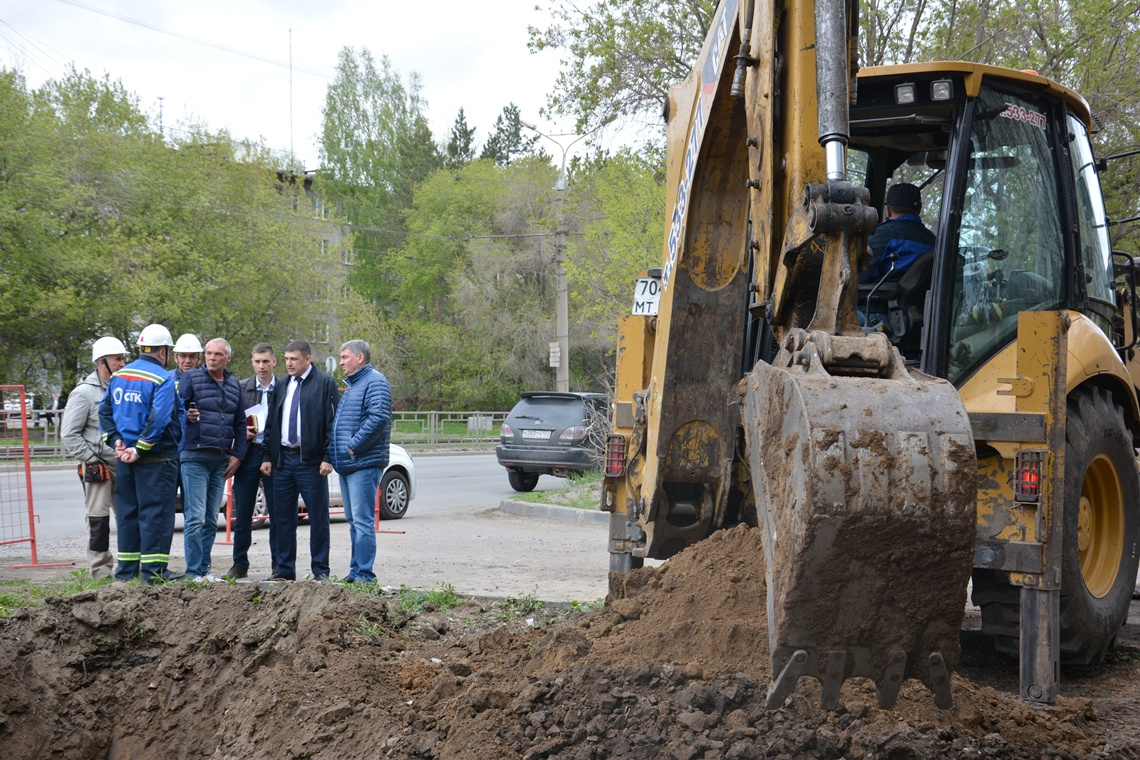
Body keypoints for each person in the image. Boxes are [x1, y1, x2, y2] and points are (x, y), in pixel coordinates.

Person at [99, 324, 183, 585]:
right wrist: (141, 447)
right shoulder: (162, 379)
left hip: (124, 459)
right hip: (156, 459)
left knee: (128, 513)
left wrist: (117, 441)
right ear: (163, 351)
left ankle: (126, 572)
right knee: (156, 514)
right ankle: (155, 572)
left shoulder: (119, 376)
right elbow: (159, 418)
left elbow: (104, 412)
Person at [260, 340, 339, 581]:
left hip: (312, 463)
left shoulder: (325, 384)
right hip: (283, 462)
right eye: (286, 359)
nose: (289, 363)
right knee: (282, 519)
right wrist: (267, 456)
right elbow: (271, 424)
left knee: (318, 519)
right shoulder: (283, 385)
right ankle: (284, 570)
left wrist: (328, 457)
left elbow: (332, 424)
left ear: (308, 359)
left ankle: (320, 571)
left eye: (293, 359)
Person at [179, 338, 246, 582]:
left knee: (209, 519)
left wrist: (238, 455)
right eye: (208, 353)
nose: (211, 358)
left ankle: (203, 570)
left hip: (220, 460)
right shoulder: (190, 378)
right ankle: (194, 572)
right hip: (194, 456)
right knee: (195, 517)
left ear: (228, 358)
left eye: (218, 354)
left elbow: (240, 423)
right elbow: (175, 410)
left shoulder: (234, 385)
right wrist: (187, 415)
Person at [60, 336, 127, 578]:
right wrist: (91, 459)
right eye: (117, 359)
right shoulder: (84, 393)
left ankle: (129, 569)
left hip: (125, 463)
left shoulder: (124, 387)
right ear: (102, 362)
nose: (122, 363)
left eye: (123, 358)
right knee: (98, 519)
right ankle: (100, 571)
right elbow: (69, 434)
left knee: (129, 518)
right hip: (99, 465)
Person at [328, 340, 392, 583]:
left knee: (362, 521)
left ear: (360, 358)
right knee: (354, 520)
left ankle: (365, 574)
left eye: (345, 357)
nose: (341, 362)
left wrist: (354, 447)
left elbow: (378, 418)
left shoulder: (375, 381)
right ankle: (356, 572)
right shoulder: (355, 385)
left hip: (363, 463)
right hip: (349, 463)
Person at [225, 343, 280, 580]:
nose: (261, 366)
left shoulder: (284, 388)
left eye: (266, 361)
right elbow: (229, 419)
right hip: (248, 454)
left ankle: (279, 564)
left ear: (274, 362)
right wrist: (240, 434)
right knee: (244, 511)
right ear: (252, 362)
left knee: (278, 513)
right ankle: (239, 563)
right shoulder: (241, 388)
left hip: (276, 456)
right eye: (257, 361)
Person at [859, 182, 937, 284]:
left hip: (879, 298)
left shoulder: (881, 235)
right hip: (922, 299)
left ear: (888, 210)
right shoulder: (934, 242)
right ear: (919, 208)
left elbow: (861, 276)